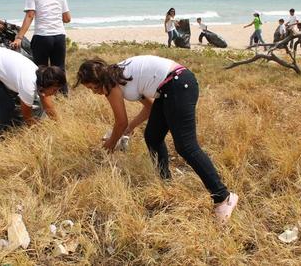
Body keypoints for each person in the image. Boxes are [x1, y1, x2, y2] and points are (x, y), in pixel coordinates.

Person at [75, 56, 238, 224]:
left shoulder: (109, 84)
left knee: (186, 146)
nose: (95, 92)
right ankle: (166, 182)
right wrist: (130, 128)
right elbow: (150, 107)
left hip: (178, 85)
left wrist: (109, 145)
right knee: (153, 137)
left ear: (99, 79)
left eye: (93, 88)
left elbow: (120, 122)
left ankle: (223, 197)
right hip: (170, 87)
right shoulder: (120, 75)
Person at [12, 0, 71, 96]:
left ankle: (40, 96)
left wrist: (19, 37)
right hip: (59, 37)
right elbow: (67, 19)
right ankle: (64, 95)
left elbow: (30, 16)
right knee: (59, 68)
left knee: (40, 69)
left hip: (42, 37)